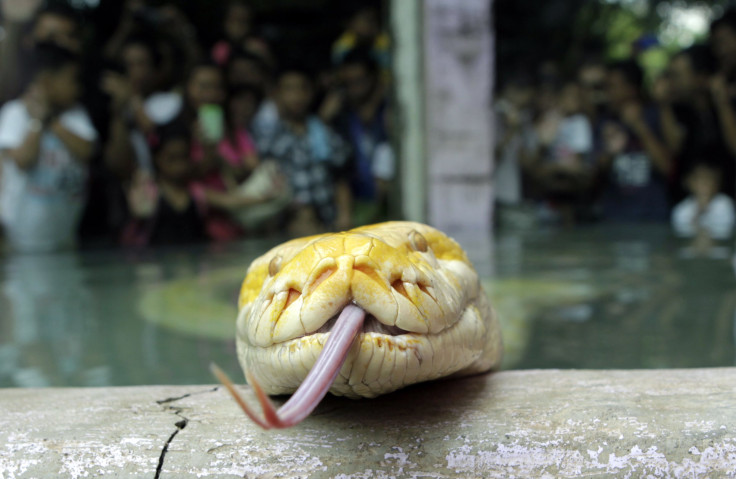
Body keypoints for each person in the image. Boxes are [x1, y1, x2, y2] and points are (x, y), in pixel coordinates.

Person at [0, 43, 97, 252]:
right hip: (20, 243)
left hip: (65, 239)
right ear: (47, 81)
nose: (77, 88)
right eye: (71, 80)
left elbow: (87, 151)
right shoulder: (15, 113)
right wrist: (36, 122)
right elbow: (23, 160)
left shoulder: (75, 115)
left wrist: (50, 120)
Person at [258, 65, 352, 236]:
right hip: (289, 224)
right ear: (277, 94)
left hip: (327, 221)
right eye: (289, 89)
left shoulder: (323, 132)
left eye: (303, 89)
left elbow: (340, 177)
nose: (297, 96)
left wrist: (344, 215)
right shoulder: (269, 138)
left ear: (311, 93)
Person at [595, 59, 672, 222]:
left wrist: (639, 126)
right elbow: (595, 173)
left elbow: (666, 167)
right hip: (614, 218)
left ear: (631, 89)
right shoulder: (604, 122)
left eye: (612, 86)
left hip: (654, 218)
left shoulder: (655, 116)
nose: (607, 93)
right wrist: (611, 150)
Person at [656, 45, 735, 203]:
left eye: (677, 76)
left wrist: (722, 103)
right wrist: (664, 105)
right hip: (687, 207)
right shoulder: (676, 110)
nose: (670, 83)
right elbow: (674, 149)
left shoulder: (727, 106)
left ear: (701, 77)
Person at [323, 48, 394, 225]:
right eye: (348, 83)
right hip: (354, 204)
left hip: (389, 204)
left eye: (360, 81)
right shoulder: (341, 116)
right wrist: (325, 117)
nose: (354, 88)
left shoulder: (390, 112)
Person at [123, 121, 206, 246]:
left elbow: (231, 201)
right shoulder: (148, 193)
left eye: (183, 157)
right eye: (172, 158)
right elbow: (130, 237)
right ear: (157, 158)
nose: (179, 166)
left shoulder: (196, 193)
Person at [532, 81, 593, 224]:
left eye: (577, 97)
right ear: (559, 98)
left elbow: (578, 162)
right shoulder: (549, 119)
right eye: (569, 96)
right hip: (550, 178)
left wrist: (554, 168)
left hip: (570, 178)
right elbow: (538, 156)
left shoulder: (580, 122)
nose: (573, 101)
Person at [0, 2, 82, 104]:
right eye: (52, 35)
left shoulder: (60, 60)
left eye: (67, 36)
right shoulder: (11, 41)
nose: (61, 41)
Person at [671, 161, 734, 240]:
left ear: (717, 183)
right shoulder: (681, 209)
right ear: (689, 182)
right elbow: (682, 235)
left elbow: (726, 231)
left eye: (709, 178)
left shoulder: (725, 204)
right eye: (700, 178)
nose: (705, 183)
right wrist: (699, 211)